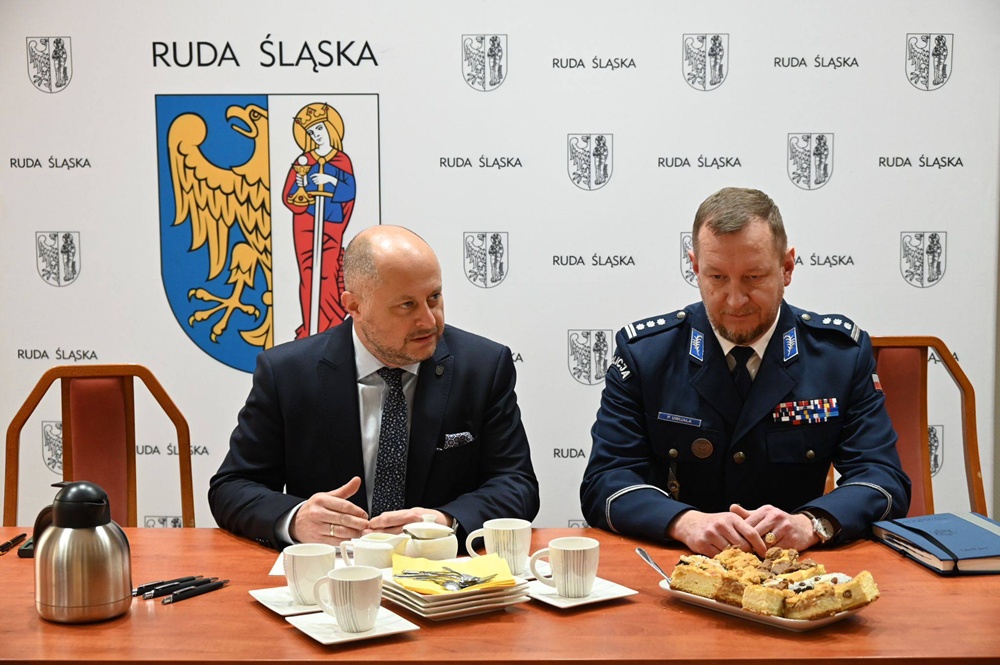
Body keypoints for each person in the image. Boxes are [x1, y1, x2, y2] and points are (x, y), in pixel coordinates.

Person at [580, 187, 910, 556]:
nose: (735, 300)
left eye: (753, 277)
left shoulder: (839, 357)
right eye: (717, 278)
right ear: (695, 267)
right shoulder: (646, 355)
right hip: (678, 567)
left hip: (795, 569)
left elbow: (883, 479)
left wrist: (812, 523)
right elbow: (604, 482)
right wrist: (684, 522)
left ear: (787, 268)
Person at [209, 225, 539, 550]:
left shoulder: (483, 367)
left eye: (434, 297)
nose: (429, 320)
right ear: (354, 306)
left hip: (441, 572)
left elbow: (516, 484)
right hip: (331, 573)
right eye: (406, 305)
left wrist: (444, 521)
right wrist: (296, 519)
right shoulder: (287, 374)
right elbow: (232, 486)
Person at [282, 102, 356, 339]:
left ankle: (330, 325)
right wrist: (301, 188)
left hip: (331, 222)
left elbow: (350, 191)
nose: (316, 135)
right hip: (306, 224)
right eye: (312, 132)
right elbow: (289, 197)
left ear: (330, 129)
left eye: (320, 129)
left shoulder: (341, 160)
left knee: (328, 271)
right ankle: (310, 326)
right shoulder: (303, 161)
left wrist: (330, 180)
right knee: (308, 273)